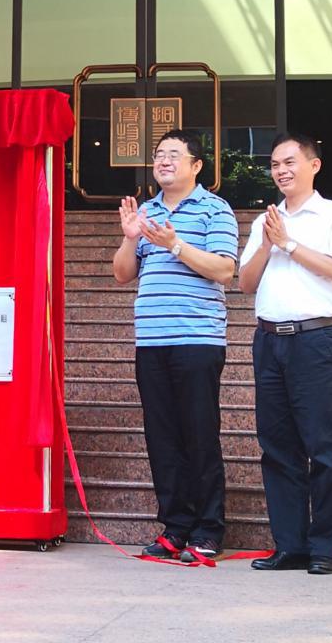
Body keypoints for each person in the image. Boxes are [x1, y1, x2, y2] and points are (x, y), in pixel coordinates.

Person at [112, 129, 238, 563]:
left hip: (197, 340)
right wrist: (131, 236)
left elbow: (224, 270)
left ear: (196, 165)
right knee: (162, 438)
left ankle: (208, 529)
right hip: (151, 341)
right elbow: (122, 274)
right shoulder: (146, 211)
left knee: (199, 436)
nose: (163, 161)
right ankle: (175, 527)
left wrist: (176, 245)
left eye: (173, 155)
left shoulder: (215, 209)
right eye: (158, 155)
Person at [239, 133, 332, 575]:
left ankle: (324, 547)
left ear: (314, 165)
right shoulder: (265, 221)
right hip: (269, 340)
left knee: (323, 448)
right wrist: (268, 244)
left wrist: (289, 243)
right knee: (277, 448)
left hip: (316, 341)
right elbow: (246, 283)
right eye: (274, 164)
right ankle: (289, 545)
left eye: (289, 162)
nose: (281, 171)